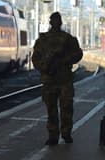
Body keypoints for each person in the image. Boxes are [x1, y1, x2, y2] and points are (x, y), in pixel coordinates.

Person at [32, 12, 83, 146]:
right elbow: (35, 58)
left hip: (64, 79)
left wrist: (64, 60)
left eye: (57, 20)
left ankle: (66, 133)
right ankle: (53, 135)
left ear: (60, 22)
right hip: (49, 79)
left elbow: (78, 54)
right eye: (54, 20)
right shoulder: (42, 40)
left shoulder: (68, 39)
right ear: (51, 22)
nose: (56, 23)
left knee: (66, 108)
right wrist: (45, 67)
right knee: (51, 109)